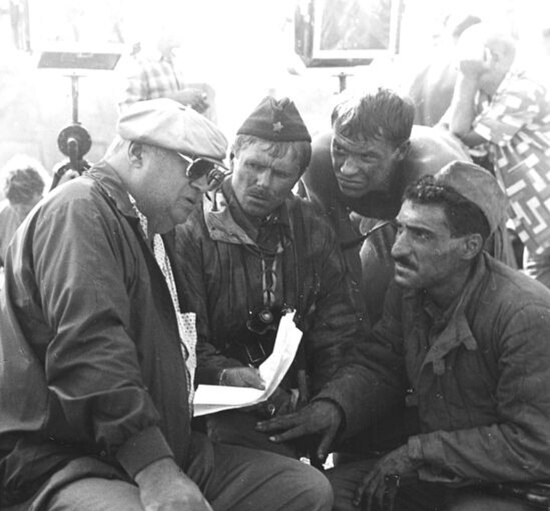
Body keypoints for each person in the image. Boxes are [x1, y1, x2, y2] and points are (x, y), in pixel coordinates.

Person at [0, 98, 333, 511]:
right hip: (59, 463)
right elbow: (90, 352)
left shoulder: (148, 229)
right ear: (136, 154)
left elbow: (157, 351)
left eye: (212, 172)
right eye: (194, 168)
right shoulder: (80, 210)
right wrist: (156, 472)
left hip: (133, 447)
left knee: (301, 495)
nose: (205, 184)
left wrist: (213, 381)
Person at [257, 161, 550, 511]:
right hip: (449, 479)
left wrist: (418, 454)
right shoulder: (414, 289)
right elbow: (381, 363)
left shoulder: (525, 315)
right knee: (314, 501)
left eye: (422, 235)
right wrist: (331, 409)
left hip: (524, 498)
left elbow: (535, 445)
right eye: (401, 229)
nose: (398, 248)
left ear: (470, 246)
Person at [174, 96, 358, 459]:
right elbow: (181, 336)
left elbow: (337, 329)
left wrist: (327, 403)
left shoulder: (311, 225)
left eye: (281, 175)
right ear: (232, 158)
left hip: (294, 404)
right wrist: (228, 376)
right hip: (208, 411)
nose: (263, 182)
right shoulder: (190, 225)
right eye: (254, 166)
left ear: (297, 178)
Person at [301, 87, 497, 328]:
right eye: (340, 149)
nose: (346, 169)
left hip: (459, 220)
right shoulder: (318, 160)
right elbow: (336, 250)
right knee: (361, 298)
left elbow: (454, 261)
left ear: (400, 151)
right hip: (389, 212)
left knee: (461, 311)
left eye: (366, 157)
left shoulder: (432, 174)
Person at [447, 23, 550, 287]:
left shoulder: (523, 90)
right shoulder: (488, 96)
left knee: (537, 290)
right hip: (537, 225)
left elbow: (461, 132)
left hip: (544, 216)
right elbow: (449, 130)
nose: (462, 64)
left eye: (469, 58)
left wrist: (466, 77)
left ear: (494, 58)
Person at [118, 22, 213, 118]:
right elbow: (128, 114)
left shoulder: (176, 62)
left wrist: (193, 107)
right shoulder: (137, 63)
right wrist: (175, 99)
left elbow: (176, 113)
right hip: (153, 133)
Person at [0, 155, 48, 267]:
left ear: (40, 193)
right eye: (16, 207)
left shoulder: (53, 213)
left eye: (27, 205)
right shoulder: (3, 214)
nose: (21, 212)